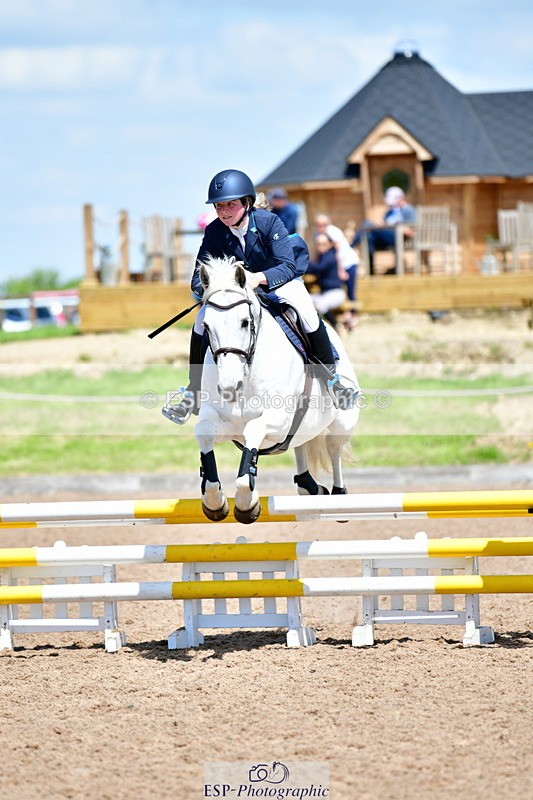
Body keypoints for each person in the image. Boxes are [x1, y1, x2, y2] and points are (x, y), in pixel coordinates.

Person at [163, 169, 358, 424]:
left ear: (246, 203)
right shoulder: (213, 231)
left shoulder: (268, 222)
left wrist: (258, 278)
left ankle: (332, 380)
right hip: (237, 291)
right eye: (219, 206)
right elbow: (198, 280)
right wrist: (222, 286)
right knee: (202, 320)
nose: (224, 211)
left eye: (230, 204)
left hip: (278, 281)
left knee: (307, 311)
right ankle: (192, 392)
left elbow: (287, 265)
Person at [352, 186, 416, 275]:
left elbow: (413, 231)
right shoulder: (390, 211)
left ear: (400, 198)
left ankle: (351, 246)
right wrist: (382, 224)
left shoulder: (408, 210)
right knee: (368, 237)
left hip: (398, 238)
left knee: (367, 224)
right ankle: (370, 271)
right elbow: (383, 222)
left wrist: (398, 227)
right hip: (385, 237)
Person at [314, 214, 359, 331]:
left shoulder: (332, 232)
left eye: (323, 224)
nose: (321, 227)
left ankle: (352, 317)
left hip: (347, 263)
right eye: (318, 225)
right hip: (342, 265)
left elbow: (338, 253)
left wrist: (341, 270)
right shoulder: (321, 234)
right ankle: (348, 317)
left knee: (350, 291)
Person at [307, 233, 347, 328]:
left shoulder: (330, 256)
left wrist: (302, 262)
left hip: (336, 293)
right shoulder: (321, 257)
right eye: (318, 244)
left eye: (324, 244)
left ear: (329, 244)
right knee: (306, 300)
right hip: (324, 294)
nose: (321, 246)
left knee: (321, 305)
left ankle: (336, 326)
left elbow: (318, 268)